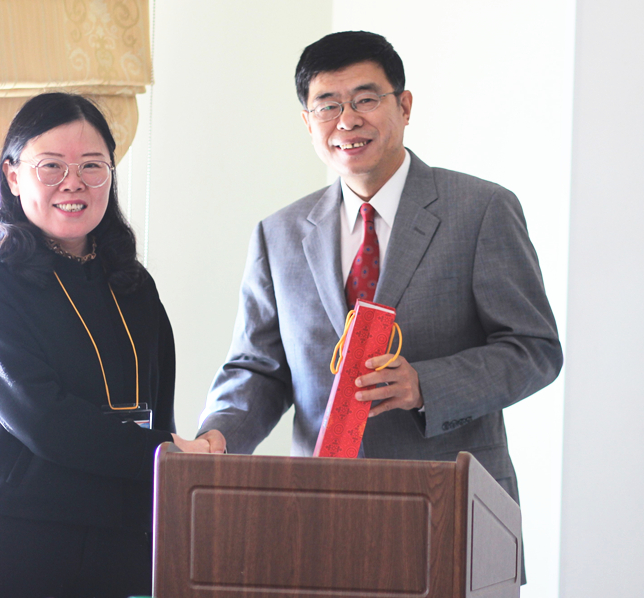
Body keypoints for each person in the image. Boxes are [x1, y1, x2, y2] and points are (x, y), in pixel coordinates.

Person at [199, 31, 561, 579]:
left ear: (405, 106)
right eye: (327, 106)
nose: (347, 120)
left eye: (366, 99)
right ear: (308, 123)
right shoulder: (279, 233)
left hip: (452, 506)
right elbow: (259, 368)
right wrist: (217, 438)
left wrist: (425, 386)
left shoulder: (481, 209)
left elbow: (534, 350)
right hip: (319, 513)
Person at [0, 92, 225, 598]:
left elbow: (156, 408)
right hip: (15, 539)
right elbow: (44, 419)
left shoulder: (133, 284)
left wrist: (176, 462)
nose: (73, 182)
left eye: (92, 165)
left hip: (123, 542)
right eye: (51, 166)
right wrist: (168, 451)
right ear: (13, 176)